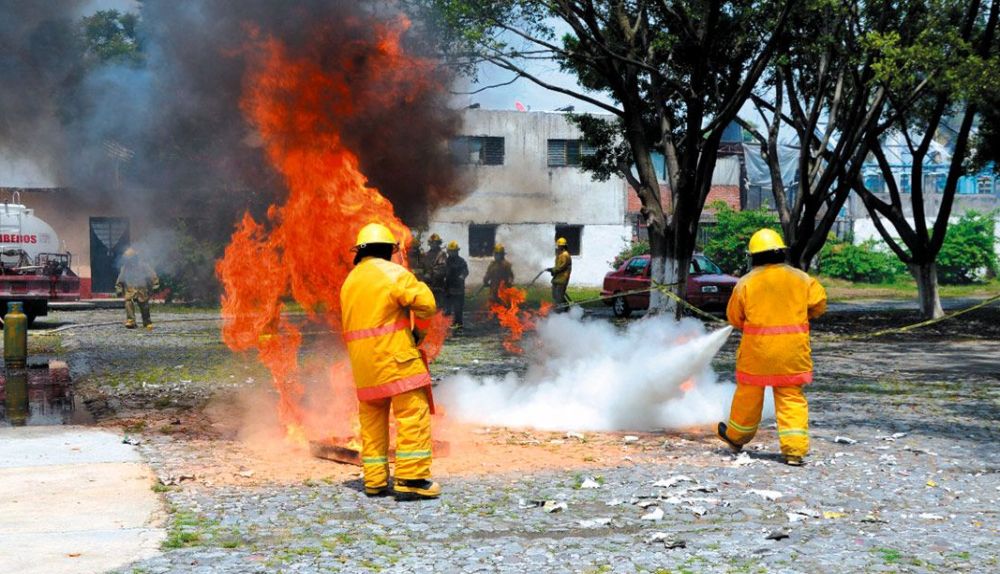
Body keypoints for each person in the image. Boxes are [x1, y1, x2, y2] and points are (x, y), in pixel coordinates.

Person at [340, 223, 441, 500]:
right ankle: (411, 479)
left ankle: (374, 481)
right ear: (388, 250)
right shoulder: (393, 273)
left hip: (364, 367)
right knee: (412, 414)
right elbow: (427, 304)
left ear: (360, 251)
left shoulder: (349, 282)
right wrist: (419, 332)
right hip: (396, 361)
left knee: (372, 422)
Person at [717, 228, 827, 466]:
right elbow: (819, 304)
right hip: (792, 353)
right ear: (781, 252)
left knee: (748, 396)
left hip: (756, 353)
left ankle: (736, 438)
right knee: (791, 398)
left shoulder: (746, 283)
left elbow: (734, 317)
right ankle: (794, 451)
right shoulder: (801, 279)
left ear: (754, 256)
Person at [115, 247, 160, 330]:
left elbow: (152, 275)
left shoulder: (144, 266)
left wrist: (155, 285)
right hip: (130, 290)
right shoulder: (125, 268)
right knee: (128, 303)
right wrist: (119, 288)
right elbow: (120, 279)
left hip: (141, 290)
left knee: (144, 306)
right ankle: (131, 321)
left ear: (135, 258)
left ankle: (147, 322)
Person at [443, 241, 468, 330]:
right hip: (448, 288)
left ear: (457, 251)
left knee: (458, 308)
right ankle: (447, 323)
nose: (452, 253)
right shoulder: (446, 261)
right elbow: (443, 271)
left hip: (458, 289)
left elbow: (465, 271)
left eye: (454, 251)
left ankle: (458, 324)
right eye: (450, 251)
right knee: (447, 308)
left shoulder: (461, 261)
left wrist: (462, 276)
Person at [422, 233, 447, 307]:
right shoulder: (426, 254)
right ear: (429, 243)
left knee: (439, 307)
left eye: (435, 243)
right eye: (432, 243)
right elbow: (423, 267)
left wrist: (430, 273)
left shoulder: (442, 254)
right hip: (427, 286)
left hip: (438, 285)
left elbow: (442, 268)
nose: (433, 244)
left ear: (439, 243)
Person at [548, 237, 572, 312]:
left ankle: (561, 311)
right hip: (557, 278)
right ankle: (566, 308)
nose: (557, 247)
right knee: (555, 295)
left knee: (559, 296)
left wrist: (553, 270)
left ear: (562, 246)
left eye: (559, 245)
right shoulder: (560, 254)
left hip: (562, 279)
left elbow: (562, 267)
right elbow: (558, 266)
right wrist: (552, 270)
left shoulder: (565, 255)